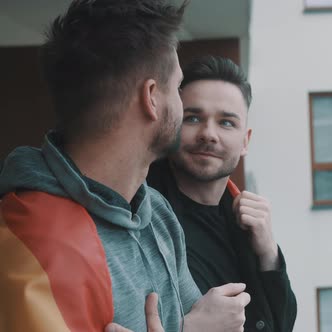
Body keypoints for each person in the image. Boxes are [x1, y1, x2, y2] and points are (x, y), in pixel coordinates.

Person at [0, 1, 249, 331]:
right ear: (151, 97)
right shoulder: (38, 244)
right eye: (176, 87)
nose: (181, 102)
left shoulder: (155, 210)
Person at [147, 55, 297, 332]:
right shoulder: (140, 211)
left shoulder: (245, 223)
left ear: (245, 141)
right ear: (172, 124)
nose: (208, 134)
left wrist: (268, 253)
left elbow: (282, 324)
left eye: (226, 122)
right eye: (193, 118)